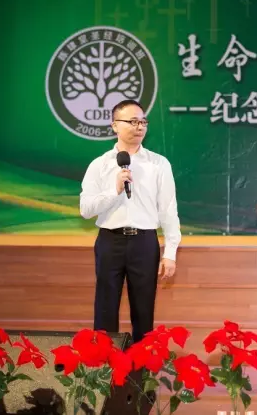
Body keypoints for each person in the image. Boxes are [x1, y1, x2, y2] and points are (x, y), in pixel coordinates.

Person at [80, 99, 181, 345]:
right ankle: (103, 372)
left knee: (144, 312)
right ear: (115, 125)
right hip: (109, 241)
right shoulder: (100, 164)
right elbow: (85, 209)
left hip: (144, 242)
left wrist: (171, 252)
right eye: (132, 121)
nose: (139, 126)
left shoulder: (159, 164)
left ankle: (140, 377)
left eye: (143, 122)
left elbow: (168, 209)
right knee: (105, 309)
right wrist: (113, 190)